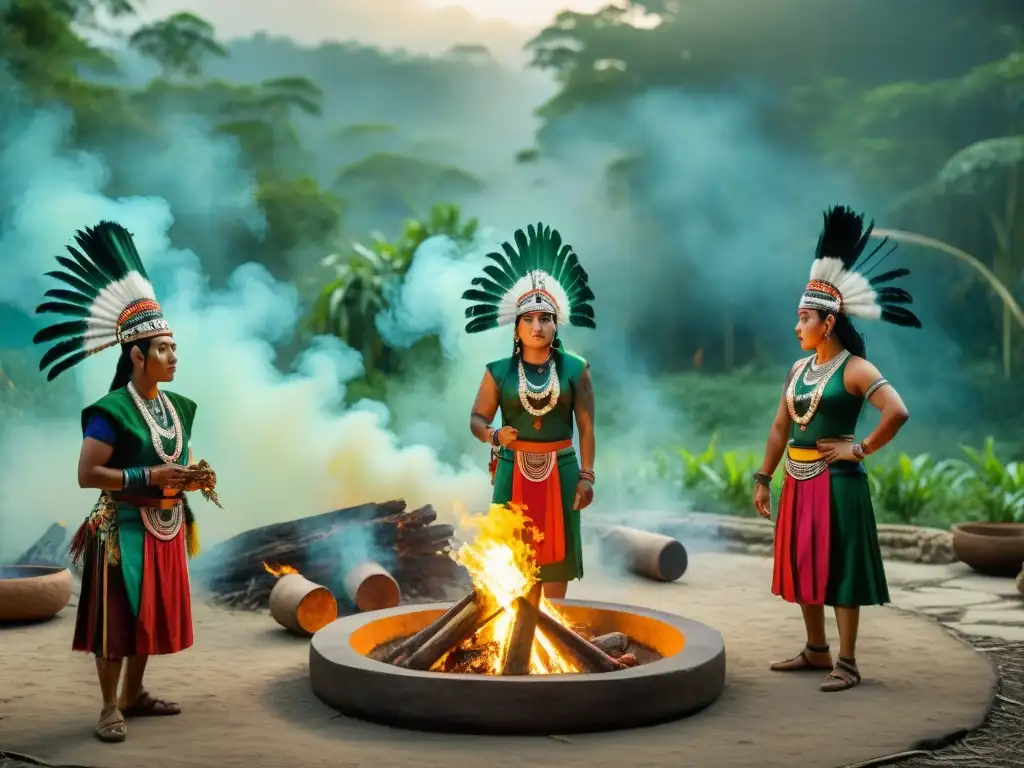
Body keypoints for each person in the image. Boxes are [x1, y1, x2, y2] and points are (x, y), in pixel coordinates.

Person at [33, 221, 215, 741]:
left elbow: (173, 455)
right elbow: (87, 474)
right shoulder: (110, 412)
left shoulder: (178, 407)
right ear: (137, 356)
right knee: (116, 620)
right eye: (164, 349)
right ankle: (108, 706)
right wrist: (148, 475)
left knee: (150, 615)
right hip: (121, 531)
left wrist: (193, 478)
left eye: (174, 348)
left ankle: (134, 695)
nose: (174, 356)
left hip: (166, 522)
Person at [752, 205, 921, 693]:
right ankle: (815, 649)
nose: (796, 327)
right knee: (804, 563)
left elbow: (898, 411)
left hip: (838, 482)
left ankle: (846, 661)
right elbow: (780, 427)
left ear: (827, 323)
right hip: (797, 480)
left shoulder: (855, 369)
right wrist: (765, 477)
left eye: (803, 319)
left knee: (840, 568)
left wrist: (861, 449)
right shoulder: (796, 370)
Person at [463, 222, 597, 599]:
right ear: (516, 326)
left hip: (563, 470)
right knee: (510, 554)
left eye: (545, 318)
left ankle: (552, 635)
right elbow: (476, 418)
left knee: (557, 557)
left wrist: (587, 477)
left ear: (557, 323)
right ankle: (513, 634)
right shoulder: (498, 371)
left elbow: (586, 428)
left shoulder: (576, 368)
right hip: (511, 468)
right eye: (529, 319)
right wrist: (492, 435)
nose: (537, 326)